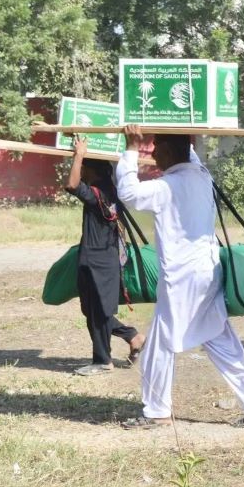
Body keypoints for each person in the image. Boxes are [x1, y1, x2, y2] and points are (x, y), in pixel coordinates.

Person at [115, 126, 244, 429]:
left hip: (183, 280)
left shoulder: (167, 186)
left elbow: (129, 193)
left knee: (160, 344)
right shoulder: (202, 177)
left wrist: (132, 147)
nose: (153, 151)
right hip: (207, 272)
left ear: (171, 150)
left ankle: (157, 411)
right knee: (218, 336)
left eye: (156, 145)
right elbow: (188, 149)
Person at [64, 137, 144, 377]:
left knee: (97, 312)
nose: (82, 170)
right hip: (101, 258)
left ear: (93, 169)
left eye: (85, 166)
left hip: (98, 260)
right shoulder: (110, 191)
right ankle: (133, 336)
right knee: (93, 311)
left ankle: (103, 360)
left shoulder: (98, 192)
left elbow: (72, 185)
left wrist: (79, 154)